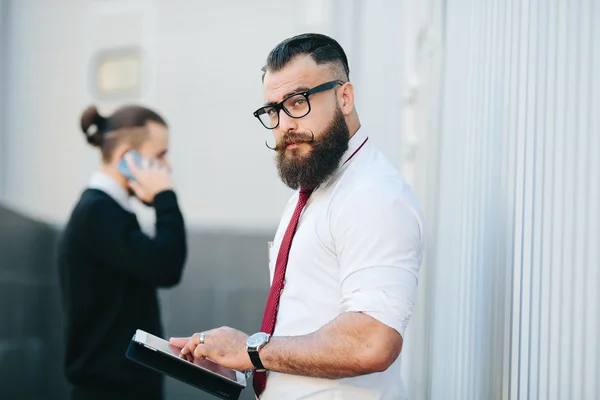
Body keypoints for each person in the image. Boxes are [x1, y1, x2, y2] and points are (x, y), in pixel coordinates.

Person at [170, 33, 424, 399]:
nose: (284, 124)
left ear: (345, 97)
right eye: (273, 110)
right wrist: (242, 364)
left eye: (297, 101)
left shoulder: (374, 195)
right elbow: (307, 324)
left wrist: (252, 351)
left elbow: (372, 341)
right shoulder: (316, 186)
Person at [58, 105, 188, 400]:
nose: (167, 167)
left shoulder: (107, 210)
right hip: (108, 392)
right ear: (126, 157)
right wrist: (164, 196)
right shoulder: (98, 212)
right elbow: (167, 266)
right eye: (160, 155)